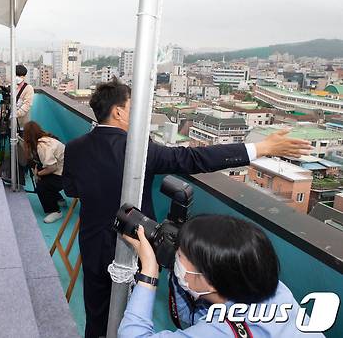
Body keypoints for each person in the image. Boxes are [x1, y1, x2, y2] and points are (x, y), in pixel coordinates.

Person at [62, 79, 313, 338]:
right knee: (133, 308)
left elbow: (71, 189)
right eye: (133, 107)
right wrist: (260, 149)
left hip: (93, 241)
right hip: (140, 244)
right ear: (119, 112)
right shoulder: (138, 149)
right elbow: (192, 159)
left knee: (96, 312)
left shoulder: (75, 147)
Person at [119, 214, 324, 337]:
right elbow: (194, 319)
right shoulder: (268, 286)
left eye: (179, 255)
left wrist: (148, 272)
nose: (175, 257)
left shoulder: (221, 332)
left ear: (208, 279)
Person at [23, 121, 66, 224]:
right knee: (44, 177)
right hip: (67, 171)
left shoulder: (42, 146)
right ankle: (59, 199)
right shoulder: (47, 140)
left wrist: (38, 174)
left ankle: (55, 211)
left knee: (41, 186)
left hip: (65, 176)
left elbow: (52, 168)